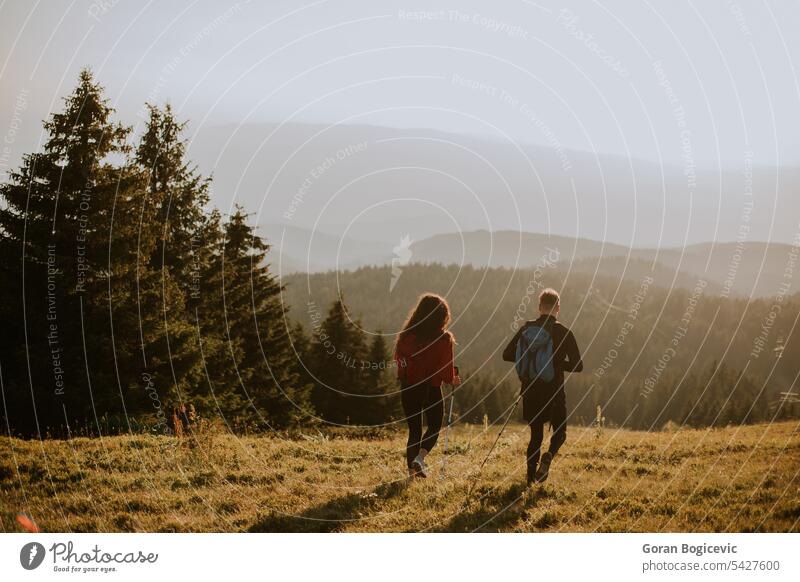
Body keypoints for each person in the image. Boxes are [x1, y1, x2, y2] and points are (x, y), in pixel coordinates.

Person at [503, 288, 583, 485]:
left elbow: (506, 354)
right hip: (554, 391)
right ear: (558, 308)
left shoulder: (526, 330)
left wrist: (529, 360)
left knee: (536, 435)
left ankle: (530, 479)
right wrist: (556, 364)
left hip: (530, 389)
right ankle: (549, 456)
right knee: (560, 431)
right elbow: (578, 366)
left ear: (539, 307)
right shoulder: (564, 332)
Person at [394, 293, 460, 478]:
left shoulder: (406, 336)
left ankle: (411, 474)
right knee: (434, 426)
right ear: (442, 316)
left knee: (414, 431)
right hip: (431, 388)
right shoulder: (444, 339)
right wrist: (453, 379)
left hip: (408, 388)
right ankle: (420, 458)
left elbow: (400, 363)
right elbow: (446, 372)